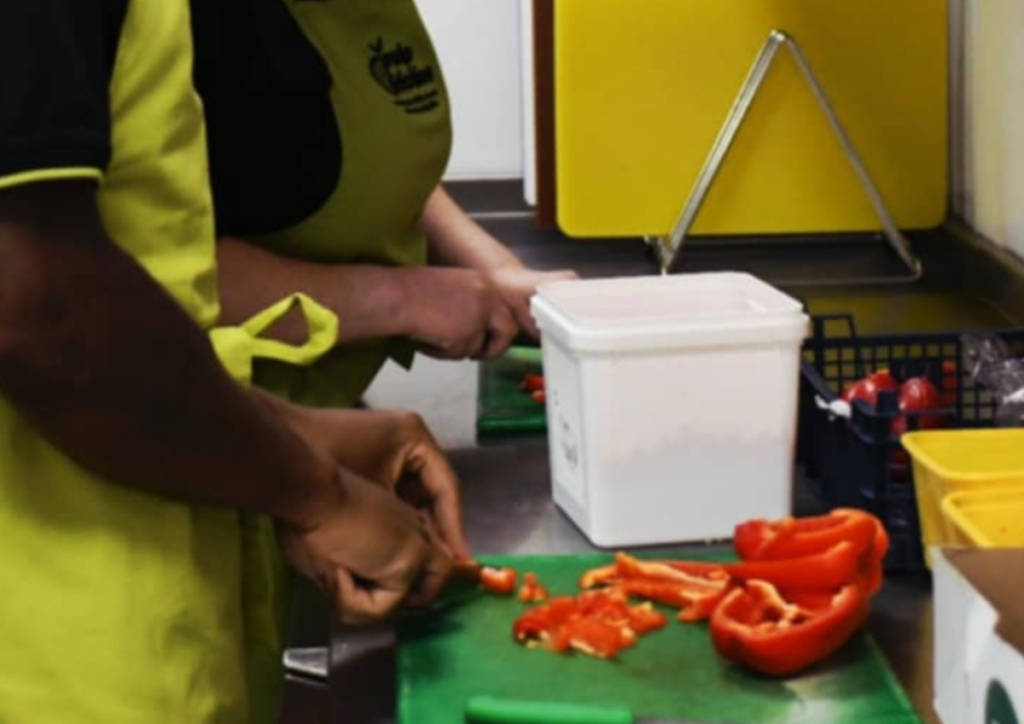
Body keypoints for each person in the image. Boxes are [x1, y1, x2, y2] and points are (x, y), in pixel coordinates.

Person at [0, 2, 466, 723]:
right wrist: (316, 492)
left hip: (144, 598)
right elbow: (42, 311)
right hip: (59, 663)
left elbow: (118, 298)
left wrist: (293, 435)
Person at [190, 0, 577, 408]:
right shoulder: (191, 21)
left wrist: (489, 266)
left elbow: (375, 165)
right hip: (223, 422)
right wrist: (401, 299)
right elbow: (161, 269)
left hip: (330, 404)